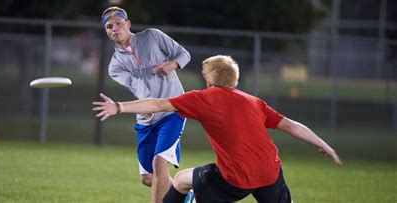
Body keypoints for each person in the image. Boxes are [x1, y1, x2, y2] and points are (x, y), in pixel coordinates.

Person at [93, 55, 342, 203]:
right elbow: (291, 126)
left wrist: (119, 106)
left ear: (208, 80)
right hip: (270, 172)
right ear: (235, 80)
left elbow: (159, 103)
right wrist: (324, 145)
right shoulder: (254, 102)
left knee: (180, 180)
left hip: (235, 179)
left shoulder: (205, 98)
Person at [100, 6, 191, 203]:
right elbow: (138, 86)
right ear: (106, 31)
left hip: (173, 110)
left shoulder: (152, 36)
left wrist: (173, 64)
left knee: (160, 163)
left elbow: (184, 54)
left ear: (128, 24)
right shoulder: (114, 66)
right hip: (147, 118)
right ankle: (188, 196)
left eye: (118, 23)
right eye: (109, 27)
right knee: (149, 178)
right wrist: (146, 107)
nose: (114, 29)